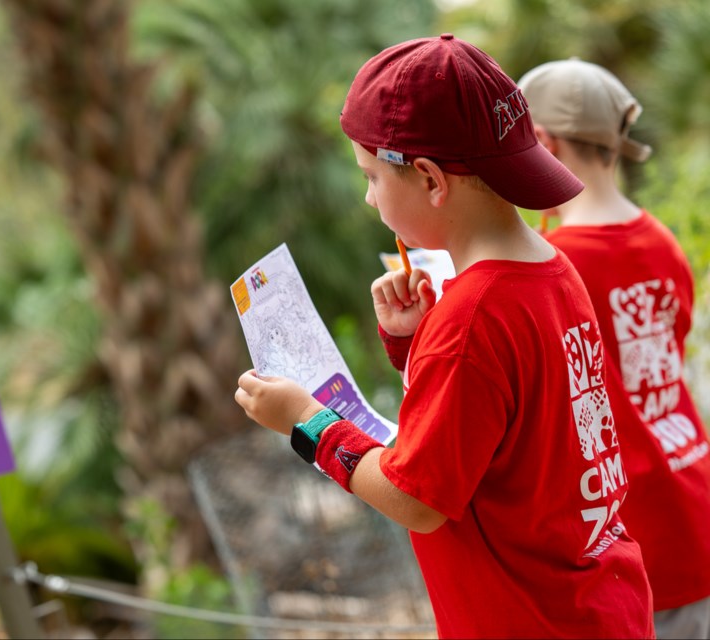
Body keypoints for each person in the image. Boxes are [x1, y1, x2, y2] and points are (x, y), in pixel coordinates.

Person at [234, 35, 655, 638]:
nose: (367, 196)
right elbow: (503, 435)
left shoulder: (471, 318)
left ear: (430, 179)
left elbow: (418, 501)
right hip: (596, 603)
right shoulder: (553, 272)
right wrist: (413, 342)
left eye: (373, 177)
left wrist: (307, 420)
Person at [519, 58, 710, 639]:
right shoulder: (659, 239)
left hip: (634, 538)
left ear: (545, 143)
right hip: (695, 499)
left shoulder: (559, 264)